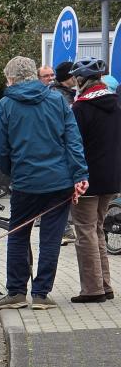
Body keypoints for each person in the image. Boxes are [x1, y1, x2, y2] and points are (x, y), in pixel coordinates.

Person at [0, 56, 89, 310]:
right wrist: (79, 175)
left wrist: (12, 171)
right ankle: (42, 294)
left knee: (18, 234)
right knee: (51, 238)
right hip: (59, 181)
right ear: (34, 75)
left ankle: (16, 292)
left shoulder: (6, 104)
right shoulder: (57, 100)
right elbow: (73, 141)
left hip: (25, 182)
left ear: (11, 79)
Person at [67, 57, 121, 303]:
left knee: (85, 232)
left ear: (82, 80)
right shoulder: (116, 104)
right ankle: (105, 285)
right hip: (111, 178)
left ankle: (92, 289)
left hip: (87, 179)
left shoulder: (80, 108)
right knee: (97, 229)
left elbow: (73, 144)